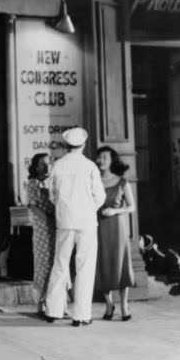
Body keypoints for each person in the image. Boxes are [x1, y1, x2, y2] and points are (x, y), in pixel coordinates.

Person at [44, 127, 106, 326]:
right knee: (85, 267)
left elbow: (52, 196)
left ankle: (53, 310)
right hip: (87, 222)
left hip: (64, 221)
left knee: (60, 264)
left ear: (66, 145)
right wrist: (88, 208)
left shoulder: (57, 166)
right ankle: (81, 315)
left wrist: (65, 208)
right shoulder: (90, 167)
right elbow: (100, 197)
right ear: (84, 144)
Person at [95, 146, 136, 321]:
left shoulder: (122, 182)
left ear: (112, 160)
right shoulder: (93, 180)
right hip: (98, 226)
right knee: (103, 262)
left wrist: (115, 211)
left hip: (118, 227)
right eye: (99, 157)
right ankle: (108, 304)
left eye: (105, 157)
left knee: (121, 263)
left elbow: (132, 207)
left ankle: (124, 305)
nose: (101, 160)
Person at [26, 152, 56, 316]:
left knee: (56, 264)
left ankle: (56, 302)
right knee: (43, 264)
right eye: (42, 164)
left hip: (58, 228)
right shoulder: (33, 183)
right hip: (43, 230)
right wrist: (49, 221)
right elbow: (33, 206)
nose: (46, 167)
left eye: (48, 163)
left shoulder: (54, 182)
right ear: (36, 167)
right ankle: (41, 303)